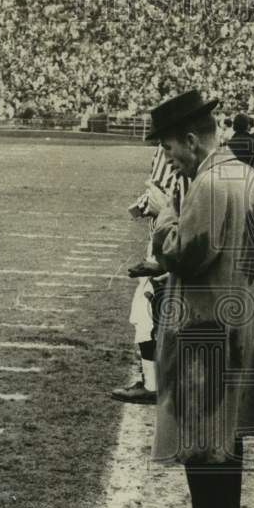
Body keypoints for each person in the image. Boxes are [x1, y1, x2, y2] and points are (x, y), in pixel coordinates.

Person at [147, 90, 254, 508]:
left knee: (200, 430)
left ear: (192, 140)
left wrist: (165, 213)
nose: (170, 161)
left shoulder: (212, 184)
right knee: (225, 430)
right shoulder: (247, 174)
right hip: (238, 319)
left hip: (206, 325)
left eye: (170, 150)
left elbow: (183, 253)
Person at [111, 145, 190, 404]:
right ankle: (158, 380)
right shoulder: (176, 159)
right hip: (165, 243)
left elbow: (174, 205)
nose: (167, 153)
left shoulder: (189, 168)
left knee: (147, 315)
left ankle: (155, 384)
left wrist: (158, 208)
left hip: (170, 246)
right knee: (147, 313)